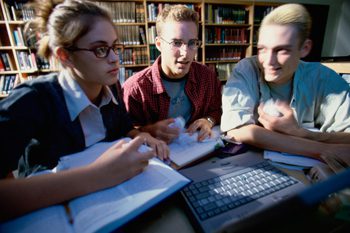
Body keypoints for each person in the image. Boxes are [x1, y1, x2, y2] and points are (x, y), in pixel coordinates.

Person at [0, 0, 168, 221]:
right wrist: (99, 175)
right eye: (100, 49)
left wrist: (143, 135)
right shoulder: (32, 98)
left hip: (114, 205)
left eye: (115, 47)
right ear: (65, 56)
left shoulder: (112, 86)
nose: (115, 58)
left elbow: (124, 128)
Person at [221, 4, 350, 161]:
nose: (268, 61)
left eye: (281, 50)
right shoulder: (247, 68)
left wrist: (300, 132)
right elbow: (236, 129)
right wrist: (323, 150)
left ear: (305, 48)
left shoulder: (323, 77)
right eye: (262, 49)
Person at [122, 4, 222, 143]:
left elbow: (216, 110)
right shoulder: (135, 89)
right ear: (158, 44)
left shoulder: (208, 77)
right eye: (176, 42)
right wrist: (150, 130)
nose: (185, 53)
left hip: (198, 154)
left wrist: (208, 120)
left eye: (192, 43)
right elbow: (124, 132)